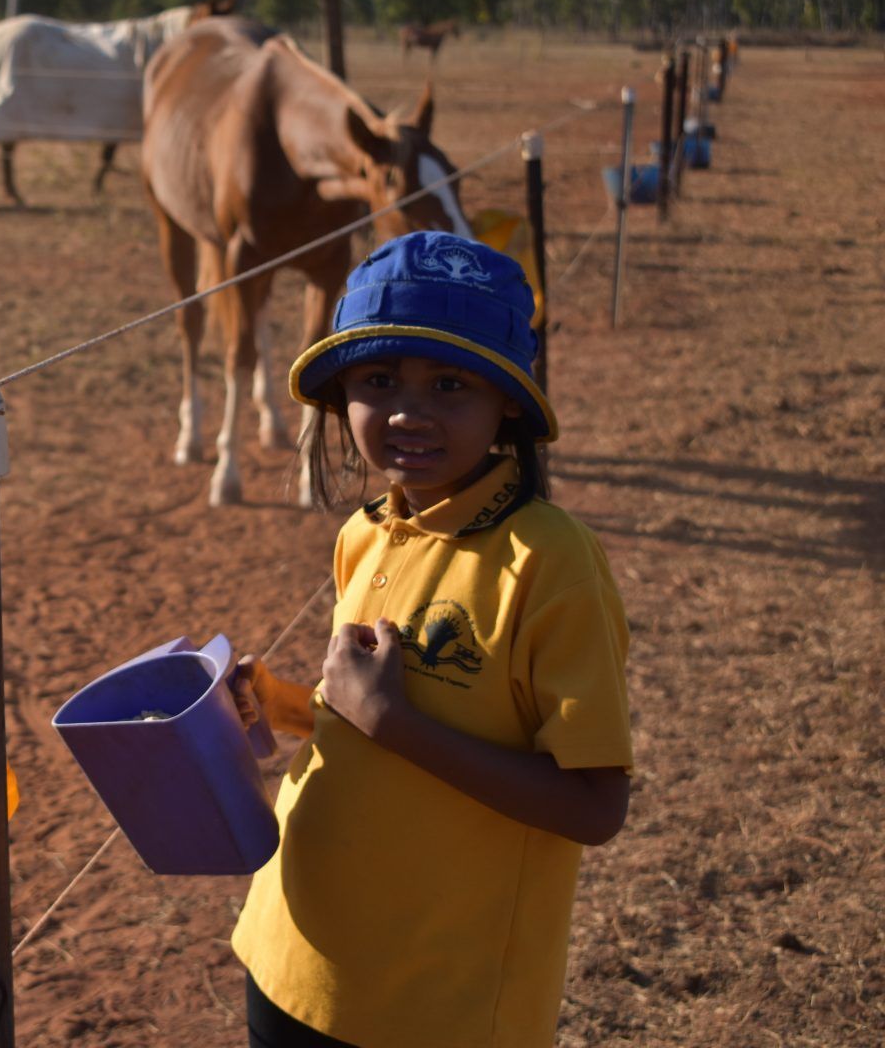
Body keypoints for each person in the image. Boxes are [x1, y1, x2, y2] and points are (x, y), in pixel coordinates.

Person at [228, 231, 634, 1048]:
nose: (409, 411)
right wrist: (282, 706)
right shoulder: (366, 531)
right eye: (379, 381)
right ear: (342, 392)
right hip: (288, 957)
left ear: (508, 401)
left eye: (450, 384)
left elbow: (594, 807)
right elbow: (366, 717)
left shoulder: (549, 561)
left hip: (432, 1007)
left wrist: (396, 726)